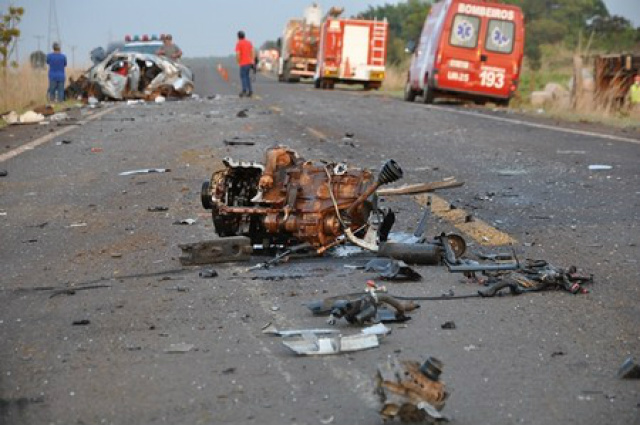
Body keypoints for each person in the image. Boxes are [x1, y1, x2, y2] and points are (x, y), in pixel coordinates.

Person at [235, 31, 254, 97]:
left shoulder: (239, 43)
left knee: (243, 77)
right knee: (247, 77)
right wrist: (252, 60)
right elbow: (252, 52)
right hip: (249, 62)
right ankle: (250, 90)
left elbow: (238, 54)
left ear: (238, 36)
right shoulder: (249, 42)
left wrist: (238, 61)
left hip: (243, 63)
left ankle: (244, 90)